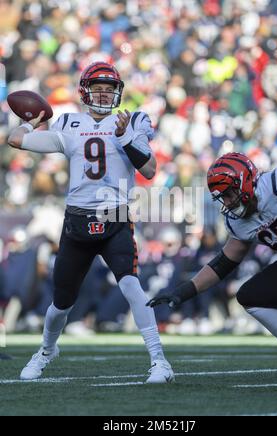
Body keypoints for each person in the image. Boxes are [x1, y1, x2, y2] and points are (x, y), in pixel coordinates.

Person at [8, 61, 174, 383]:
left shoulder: (132, 120)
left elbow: (150, 170)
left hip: (115, 216)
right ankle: (45, 350)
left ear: (118, 92)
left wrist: (126, 138)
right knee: (61, 302)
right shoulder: (70, 123)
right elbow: (17, 140)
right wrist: (31, 122)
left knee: (131, 285)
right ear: (85, 92)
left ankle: (159, 360)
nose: (103, 94)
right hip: (77, 219)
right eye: (98, 88)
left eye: (109, 89)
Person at [148, 152, 277, 386]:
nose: (228, 202)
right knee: (251, 296)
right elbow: (224, 263)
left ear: (246, 182)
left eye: (229, 194)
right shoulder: (239, 222)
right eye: (223, 197)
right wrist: (183, 292)